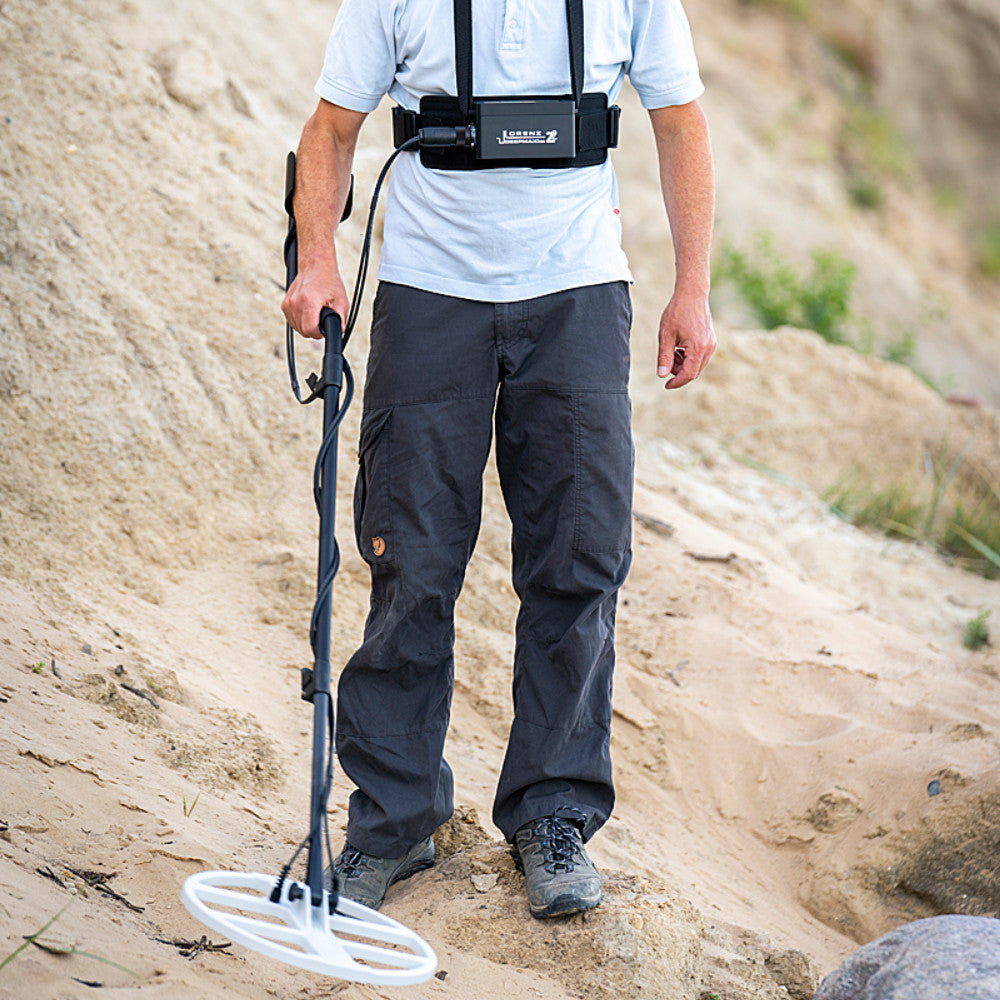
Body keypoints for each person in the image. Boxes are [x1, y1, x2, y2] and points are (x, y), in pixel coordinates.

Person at [281, 0, 716, 920]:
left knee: (578, 559)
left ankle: (553, 815)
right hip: (429, 289)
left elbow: (680, 122)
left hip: (578, 289)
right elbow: (331, 129)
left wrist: (693, 290)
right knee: (409, 559)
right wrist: (316, 260)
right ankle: (392, 823)